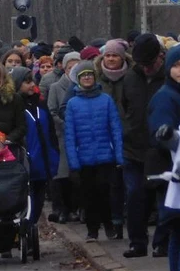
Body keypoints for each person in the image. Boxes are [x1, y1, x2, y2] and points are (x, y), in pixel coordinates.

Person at [64, 60, 123, 243]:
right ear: (78, 80)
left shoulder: (106, 100)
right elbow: (70, 135)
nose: (87, 78)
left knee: (105, 192)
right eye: (83, 76)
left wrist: (119, 155)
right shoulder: (73, 104)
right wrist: (73, 161)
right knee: (88, 195)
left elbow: (115, 129)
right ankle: (92, 229)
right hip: (84, 158)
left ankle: (109, 224)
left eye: (90, 74)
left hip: (106, 155)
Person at [148, 43, 180, 271]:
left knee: (178, 233)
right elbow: (162, 135)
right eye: (177, 65)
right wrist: (170, 137)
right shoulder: (166, 96)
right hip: (174, 175)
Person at [122, 33, 168, 258]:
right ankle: (137, 242)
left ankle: (162, 242)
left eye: (150, 63)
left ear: (160, 57)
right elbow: (125, 106)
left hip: (160, 150)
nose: (147, 68)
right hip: (134, 148)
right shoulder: (130, 78)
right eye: (142, 64)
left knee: (162, 200)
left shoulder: (170, 77)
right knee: (135, 197)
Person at [11, 67, 58, 226]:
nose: (32, 85)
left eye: (32, 81)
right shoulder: (14, 107)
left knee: (37, 203)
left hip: (43, 162)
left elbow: (51, 133)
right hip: (25, 162)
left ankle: (28, 231)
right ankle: (21, 233)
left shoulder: (40, 104)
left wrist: (54, 155)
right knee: (24, 203)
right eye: (27, 81)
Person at [96, 38, 131, 241]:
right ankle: (115, 221)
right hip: (104, 136)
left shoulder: (132, 77)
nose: (110, 59)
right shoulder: (97, 78)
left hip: (129, 134)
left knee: (129, 182)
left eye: (115, 55)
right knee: (112, 184)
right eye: (108, 55)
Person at [48, 51, 81, 222]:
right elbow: (52, 110)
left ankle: (77, 207)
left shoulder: (83, 86)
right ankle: (62, 208)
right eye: (70, 67)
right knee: (62, 174)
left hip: (81, 135)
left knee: (78, 175)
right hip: (61, 134)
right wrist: (65, 124)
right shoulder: (55, 87)